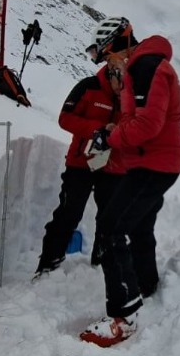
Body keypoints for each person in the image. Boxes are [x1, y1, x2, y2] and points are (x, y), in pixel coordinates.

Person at [78, 17, 180, 347]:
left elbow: (149, 125)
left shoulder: (145, 66)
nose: (109, 65)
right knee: (137, 226)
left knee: (111, 227)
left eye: (107, 57)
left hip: (153, 163)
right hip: (154, 161)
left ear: (116, 47)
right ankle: (144, 284)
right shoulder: (141, 67)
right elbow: (135, 120)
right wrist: (112, 131)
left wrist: (112, 140)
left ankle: (123, 315)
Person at [33, 63, 124, 279]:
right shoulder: (88, 87)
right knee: (69, 212)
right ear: (112, 73)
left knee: (109, 218)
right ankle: (48, 263)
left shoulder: (128, 97)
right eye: (120, 82)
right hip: (80, 163)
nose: (123, 88)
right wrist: (97, 130)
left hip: (112, 166)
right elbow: (65, 118)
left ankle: (100, 266)